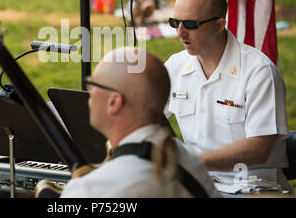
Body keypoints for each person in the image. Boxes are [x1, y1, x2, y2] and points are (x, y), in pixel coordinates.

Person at [164, 0, 291, 193]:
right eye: (175, 22)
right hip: (196, 183)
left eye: (190, 24)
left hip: (250, 187)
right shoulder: (176, 66)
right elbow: (146, 115)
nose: (180, 32)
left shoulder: (258, 71)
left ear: (219, 25)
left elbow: (259, 149)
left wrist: (189, 161)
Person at [60, 47, 221, 198]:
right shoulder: (191, 161)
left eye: (93, 85)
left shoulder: (90, 190)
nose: (90, 93)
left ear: (114, 102)